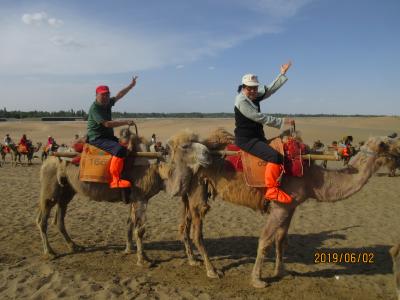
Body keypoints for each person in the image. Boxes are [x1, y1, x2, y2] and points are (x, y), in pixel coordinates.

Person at [234, 61, 294, 204]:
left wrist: (282, 74)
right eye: (250, 88)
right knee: (274, 157)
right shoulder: (242, 100)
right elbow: (258, 117)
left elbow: (269, 89)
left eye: (255, 88)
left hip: (258, 137)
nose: (254, 91)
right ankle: (272, 190)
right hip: (247, 139)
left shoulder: (253, 96)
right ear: (244, 88)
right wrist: (281, 122)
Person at [87, 76, 138, 188]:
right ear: (96, 95)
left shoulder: (107, 103)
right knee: (120, 150)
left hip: (108, 137)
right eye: (102, 94)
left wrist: (130, 86)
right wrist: (125, 121)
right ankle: (115, 180)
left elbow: (119, 95)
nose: (105, 97)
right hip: (97, 138)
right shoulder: (95, 108)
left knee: (127, 145)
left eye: (107, 94)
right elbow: (107, 124)